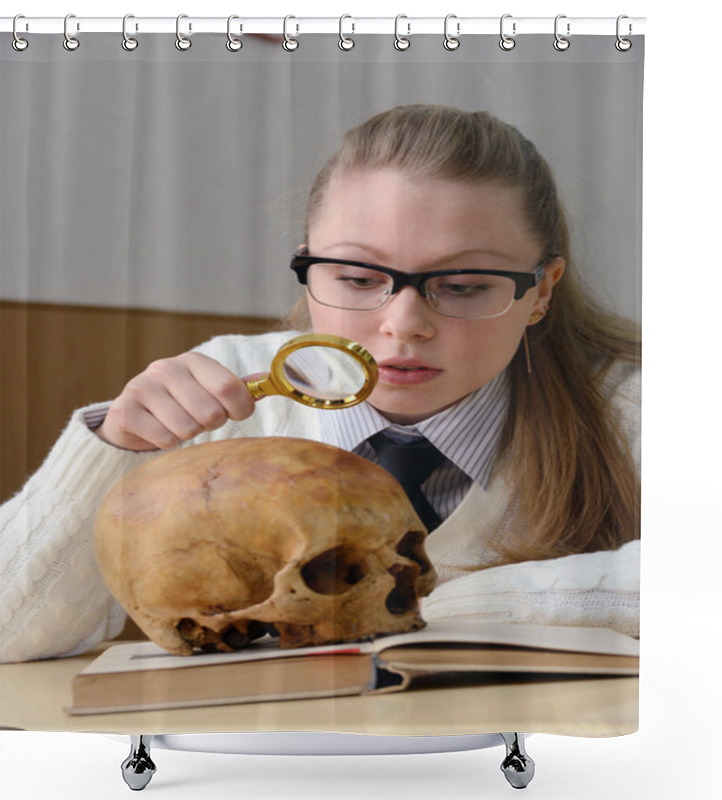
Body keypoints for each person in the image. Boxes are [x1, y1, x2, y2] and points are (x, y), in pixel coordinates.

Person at [0, 105, 640, 663]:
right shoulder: (223, 392)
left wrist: (437, 607)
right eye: (358, 279)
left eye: (465, 285)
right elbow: (10, 633)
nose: (403, 326)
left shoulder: (633, 405)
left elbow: (721, 585)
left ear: (542, 292)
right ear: (309, 267)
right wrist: (112, 451)